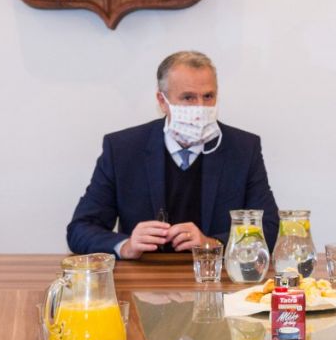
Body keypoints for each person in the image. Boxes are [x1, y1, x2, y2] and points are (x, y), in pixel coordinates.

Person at [67, 51, 280, 258]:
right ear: (162, 101)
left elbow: (269, 228)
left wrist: (212, 244)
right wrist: (125, 246)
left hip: (213, 276)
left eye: (208, 96)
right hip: (144, 275)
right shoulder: (123, 149)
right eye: (188, 97)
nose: (201, 107)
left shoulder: (243, 148)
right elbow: (80, 229)